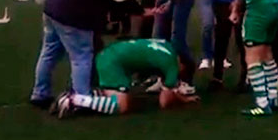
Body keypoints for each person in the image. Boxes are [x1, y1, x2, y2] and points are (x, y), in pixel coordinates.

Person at [52, 38, 199, 118]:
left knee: (123, 96)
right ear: (181, 64)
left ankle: (95, 94)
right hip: (113, 63)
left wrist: (182, 98)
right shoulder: (172, 64)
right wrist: (179, 99)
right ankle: (74, 100)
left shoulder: (166, 45)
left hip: (110, 55)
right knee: (122, 106)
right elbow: (164, 102)